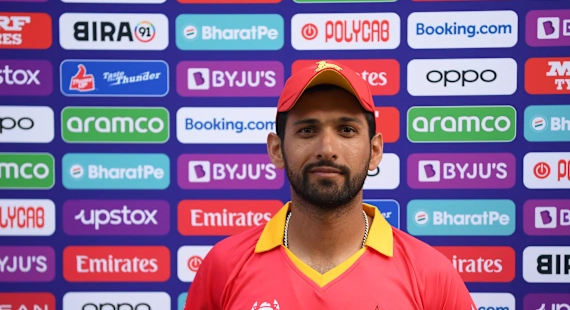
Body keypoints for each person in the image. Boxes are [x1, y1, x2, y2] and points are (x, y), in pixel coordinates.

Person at [183, 60, 477, 309]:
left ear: (374, 151)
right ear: (276, 149)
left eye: (346, 130)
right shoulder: (224, 265)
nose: (326, 148)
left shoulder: (430, 273)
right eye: (307, 130)